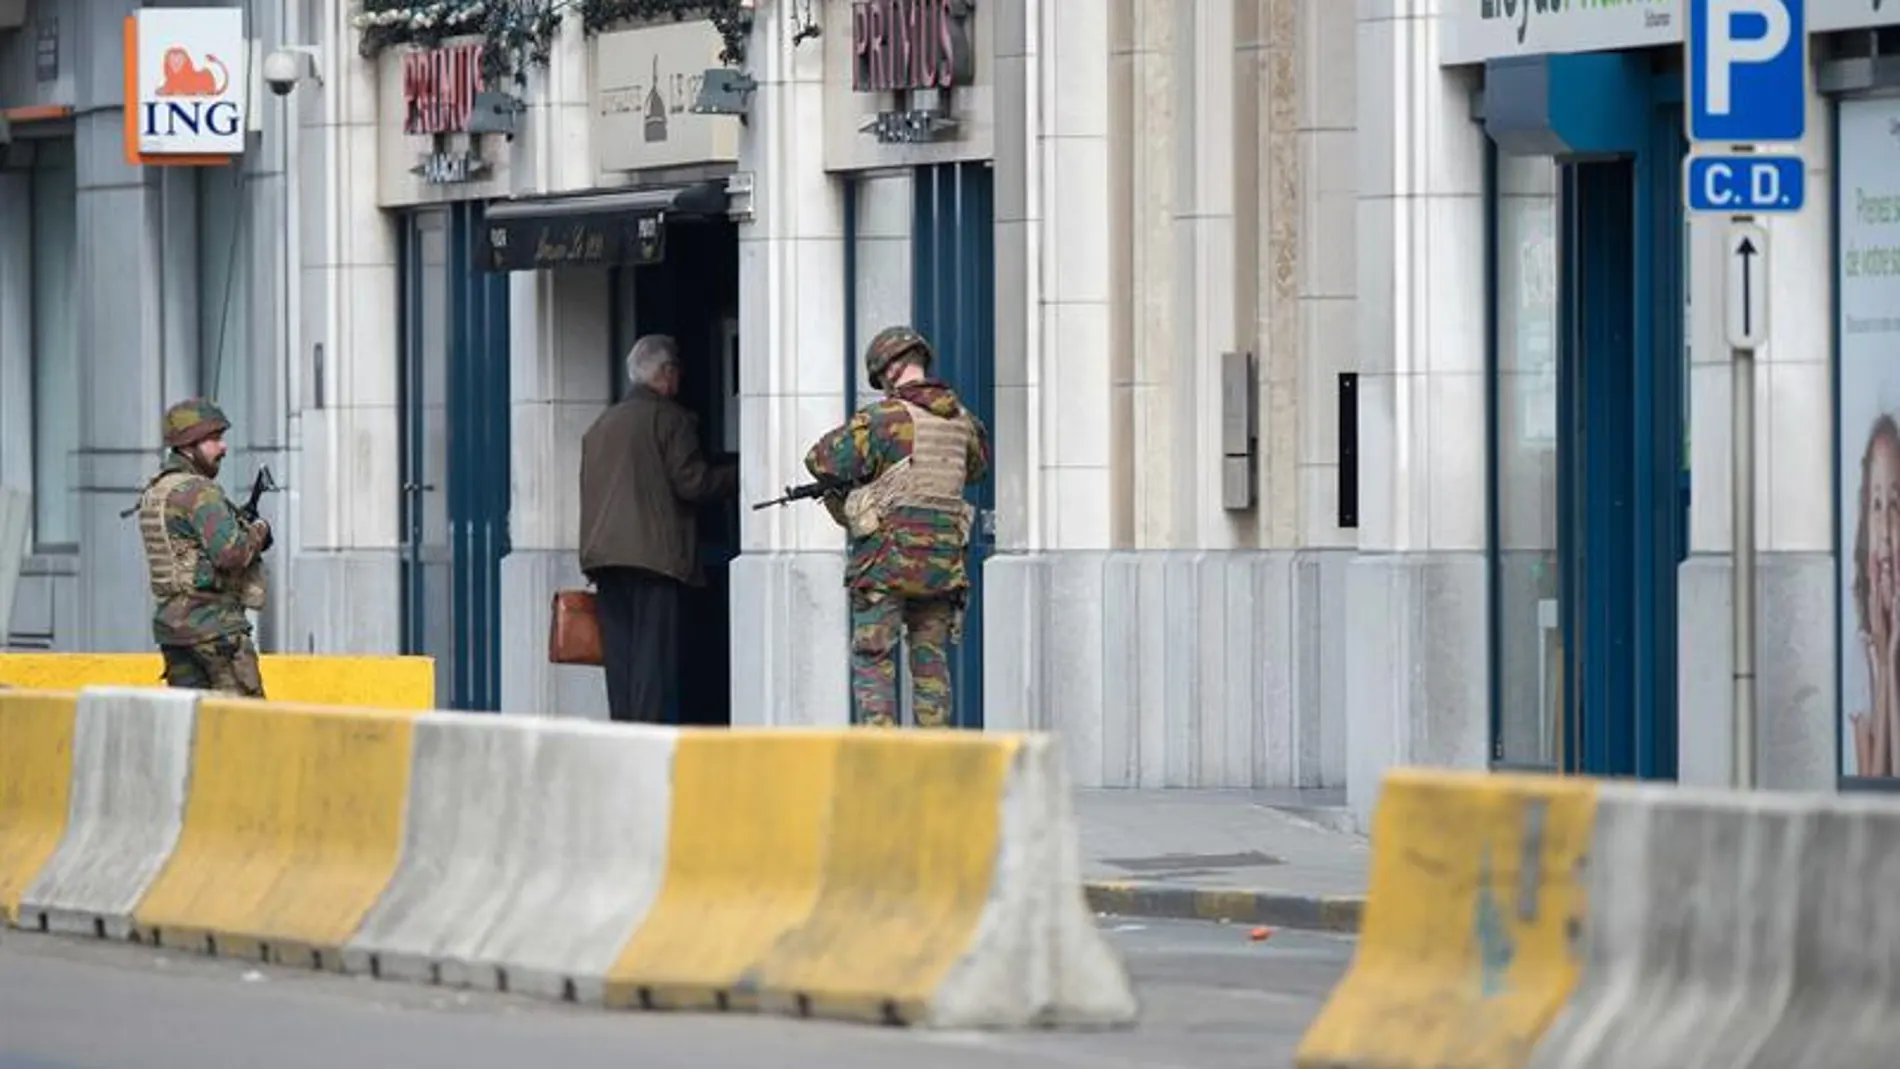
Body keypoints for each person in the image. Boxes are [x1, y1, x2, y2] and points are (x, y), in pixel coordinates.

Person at [804, 325, 991, 728]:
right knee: (931, 662)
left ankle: (881, 759)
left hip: (885, 564)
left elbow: (820, 460)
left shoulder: (882, 418)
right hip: (941, 566)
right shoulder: (964, 422)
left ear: (891, 369)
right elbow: (977, 469)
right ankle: (936, 762)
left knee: (874, 660)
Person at [579, 334, 737, 723]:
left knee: (621, 662)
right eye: (677, 370)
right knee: (652, 664)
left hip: (605, 558)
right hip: (653, 559)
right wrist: (742, 474)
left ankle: (622, 741)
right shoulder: (668, 417)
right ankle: (644, 749)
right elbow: (692, 483)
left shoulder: (602, 423)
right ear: (667, 373)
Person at [136, 398, 272, 697]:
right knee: (245, 730)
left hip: (174, 632)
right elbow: (231, 554)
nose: (223, 447)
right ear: (188, 446)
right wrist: (259, 532)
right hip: (216, 631)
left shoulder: (156, 491)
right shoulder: (198, 490)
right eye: (213, 439)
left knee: (192, 730)